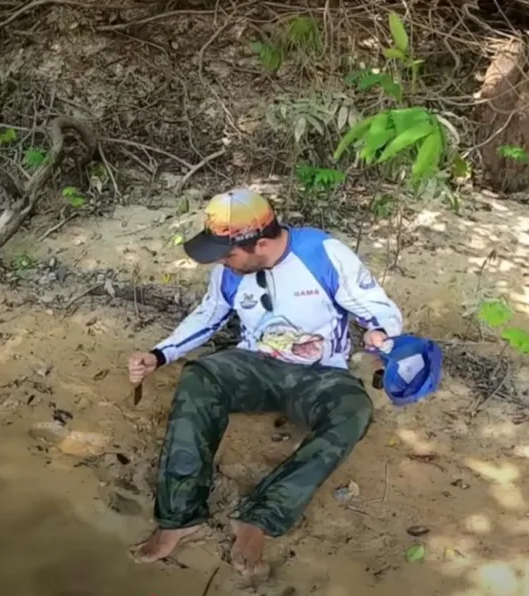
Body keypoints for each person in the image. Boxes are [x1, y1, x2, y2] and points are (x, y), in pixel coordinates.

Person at [126, 188, 403, 576]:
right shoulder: (231, 271)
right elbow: (208, 316)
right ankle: (180, 516)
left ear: (260, 244)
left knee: (354, 411)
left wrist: (380, 333)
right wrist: (159, 355)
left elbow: (381, 311)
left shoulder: (322, 254)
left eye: (228, 254)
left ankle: (261, 516)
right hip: (255, 366)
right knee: (200, 376)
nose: (222, 262)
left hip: (321, 375)